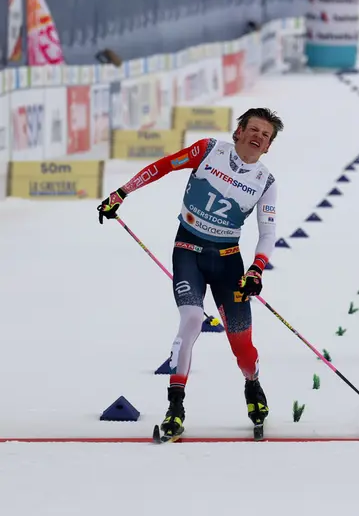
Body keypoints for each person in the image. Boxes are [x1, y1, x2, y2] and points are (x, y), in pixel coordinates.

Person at [97, 108, 284, 439]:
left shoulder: (265, 182)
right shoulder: (208, 150)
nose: (258, 136)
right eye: (253, 129)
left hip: (229, 263)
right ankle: (175, 406)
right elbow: (163, 166)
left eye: (265, 135)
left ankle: (252, 384)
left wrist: (256, 269)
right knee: (192, 319)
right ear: (238, 132)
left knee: (242, 347)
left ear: (268, 146)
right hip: (188, 251)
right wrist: (122, 192)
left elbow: (267, 232)